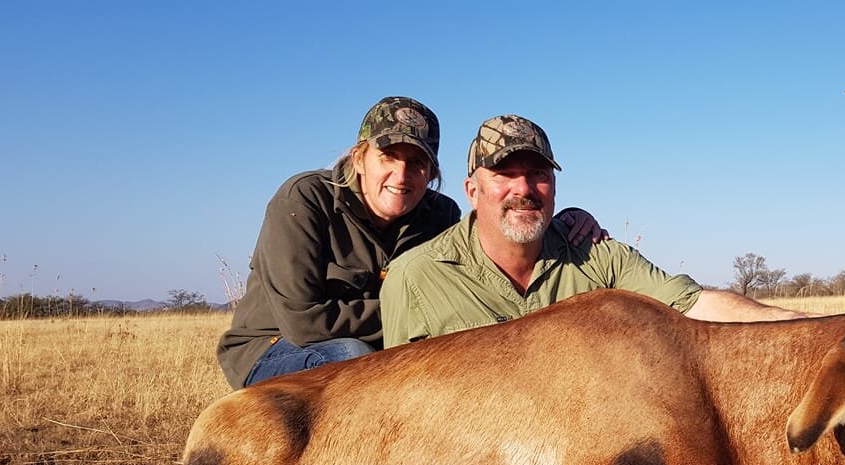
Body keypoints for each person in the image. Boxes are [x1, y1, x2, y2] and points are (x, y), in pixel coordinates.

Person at [218, 99, 604, 389]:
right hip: (276, 349)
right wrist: (414, 308)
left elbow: (486, 254)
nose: (401, 175)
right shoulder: (303, 199)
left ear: (432, 172)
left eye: (417, 163)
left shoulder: (440, 215)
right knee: (354, 358)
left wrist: (561, 221)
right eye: (389, 156)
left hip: (385, 354)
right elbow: (305, 324)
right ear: (360, 158)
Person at [381, 114, 804, 347]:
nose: (524, 189)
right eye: (505, 175)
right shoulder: (413, 277)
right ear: (472, 191)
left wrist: (819, 329)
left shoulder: (597, 254)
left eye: (538, 174)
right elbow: (397, 399)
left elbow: (695, 305)